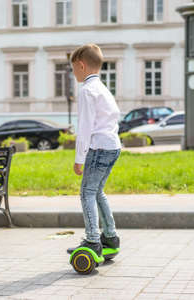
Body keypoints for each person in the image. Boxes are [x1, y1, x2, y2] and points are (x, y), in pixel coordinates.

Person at [66, 44, 122, 256]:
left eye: (73, 69)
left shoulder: (87, 91)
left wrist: (79, 158)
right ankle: (110, 237)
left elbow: (85, 128)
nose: (74, 73)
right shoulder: (103, 89)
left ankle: (92, 241)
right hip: (112, 146)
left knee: (87, 193)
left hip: (98, 148)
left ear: (81, 65)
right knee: (97, 191)